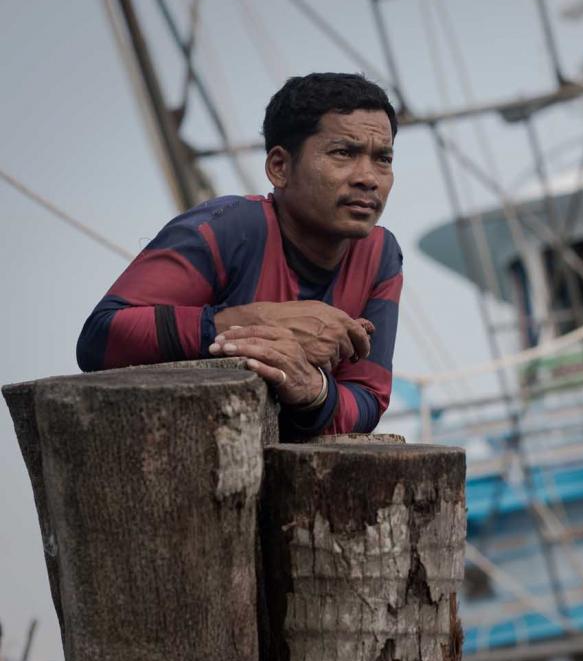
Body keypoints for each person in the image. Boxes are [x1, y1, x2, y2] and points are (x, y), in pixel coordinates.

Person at [77, 73, 402, 437]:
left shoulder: (379, 255)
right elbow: (100, 336)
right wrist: (257, 325)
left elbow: (369, 396)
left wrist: (313, 389)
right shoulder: (229, 228)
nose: (368, 178)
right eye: (344, 153)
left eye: (383, 158)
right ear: (280, 167)